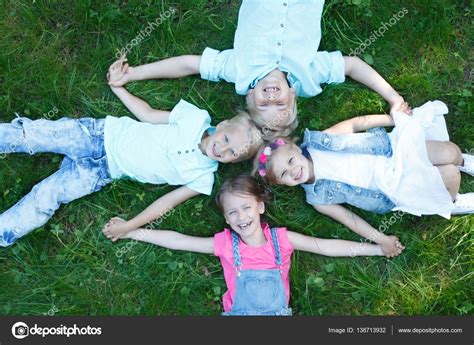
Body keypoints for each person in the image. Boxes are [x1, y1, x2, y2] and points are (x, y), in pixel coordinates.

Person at [0, 58, 262, 247]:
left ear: (234, 162)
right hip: (100, 135)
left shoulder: (202, 178)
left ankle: (4, 231)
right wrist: (119, 89)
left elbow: (165, 204)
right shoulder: (195, 118)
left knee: (47, 196)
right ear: (223, 125)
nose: (222, 149)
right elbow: (147, 114)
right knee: (35, 134)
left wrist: (130, 226)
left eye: (231, 154)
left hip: (101, 172)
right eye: (226, 139)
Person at [107, 0, 410, 138]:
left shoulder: (238, 71)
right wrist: (393, 97)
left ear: (250, 96)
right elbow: (355, 66)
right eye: (280, 103)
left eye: (264, 104)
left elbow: (188, 64)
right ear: (294, 95)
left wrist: (134, 74)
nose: (272, 97)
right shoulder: (309, 76)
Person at [103, 174, 391, 315]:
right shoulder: (226, 244)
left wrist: (377, 248)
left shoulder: (283, 239)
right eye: (233, 212)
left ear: (260, 207)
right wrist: (132, 232)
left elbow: (326, 247)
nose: (241, 217)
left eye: (246, 208)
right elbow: (179, 242)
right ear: (227, 221)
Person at [252, 100, 474, 255]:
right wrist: (382, 240)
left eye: (290, 161)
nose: (293, 171)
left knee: (450, 152)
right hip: (391, 185)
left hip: (391, 151)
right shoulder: (318, 198)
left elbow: (355, 124)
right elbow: (351, 220)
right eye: (284, 174)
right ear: (283, 184)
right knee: (449, 174)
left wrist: (392, 119)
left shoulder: (321, 140)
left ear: (296, 150)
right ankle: (451, 202)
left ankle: (464, 161)